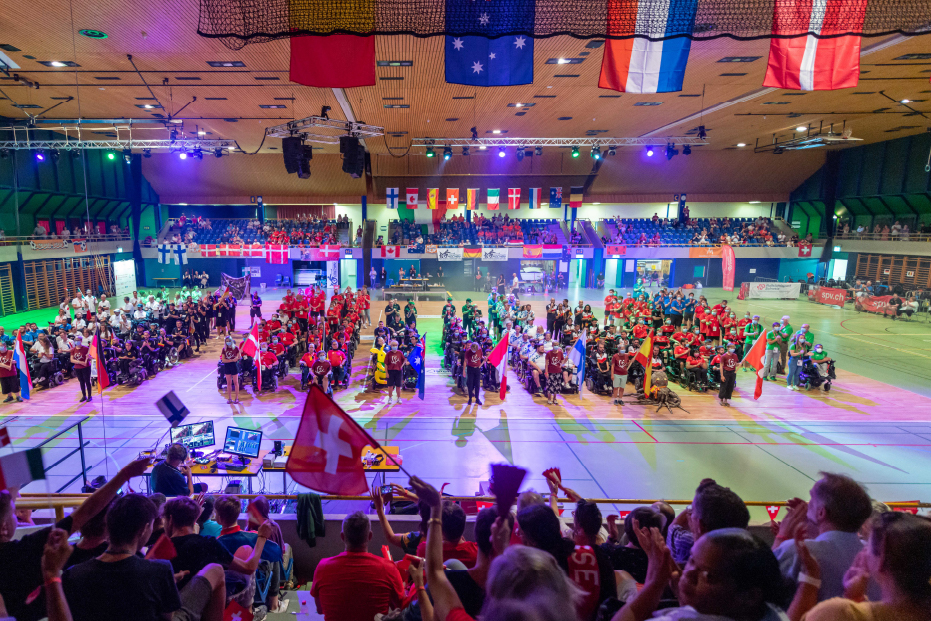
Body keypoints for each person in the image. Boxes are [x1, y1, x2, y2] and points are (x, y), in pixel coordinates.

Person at [1, 457, 152, 621]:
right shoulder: (19, 554)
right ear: (3, 527)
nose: (17, 516)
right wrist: (124, 475)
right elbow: (86, 511)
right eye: (14, 510)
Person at [61, 493, 228, 621]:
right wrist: (165, 583)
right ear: (143, 530)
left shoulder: (72, 574)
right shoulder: (159, 570)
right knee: (216, 569)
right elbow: (168, 617)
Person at [798, 512, 931, 621]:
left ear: (881, 560)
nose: (864, 551)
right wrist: (856, 598)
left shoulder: (837, 613)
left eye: (868, 544)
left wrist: (810, 578)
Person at [772, 473, 879, 602]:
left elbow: (761, 585)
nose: (807, 504)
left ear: (821, 513)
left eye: (812, 499)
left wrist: (781, 537)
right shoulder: (877, 558)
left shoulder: (793, 550)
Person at [311, 512, 405, 621]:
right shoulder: (388, 568)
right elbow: (400, 608)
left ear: (342, 536)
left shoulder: (323, 567)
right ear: (370, 536)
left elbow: (320, 610)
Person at [70, 334, 93, 403]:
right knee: (81, 382)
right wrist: (80, 362)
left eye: (78, 340)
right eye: (75, 340)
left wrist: (88, 357)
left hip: (86, 367)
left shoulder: (86, 348)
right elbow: (72, 360)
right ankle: (84, 395)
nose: (77, 342)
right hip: (77, 367)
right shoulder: (73, 350)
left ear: (81, 341)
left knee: (87, 381)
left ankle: (89, 396)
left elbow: (91, 357)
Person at [220, 336, 241, 403]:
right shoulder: (224, 349)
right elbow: (223, 360)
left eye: (229, 341)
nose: (228, 342)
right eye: (227, 341)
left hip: (234, 366)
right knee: (228, 383)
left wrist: (238, 356)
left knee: (236, 382)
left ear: (231, 341)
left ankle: (236, 398)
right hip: (227, 366)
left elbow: (239, 357)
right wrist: (231, 360)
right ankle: (229, 398)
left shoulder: (236, 348)